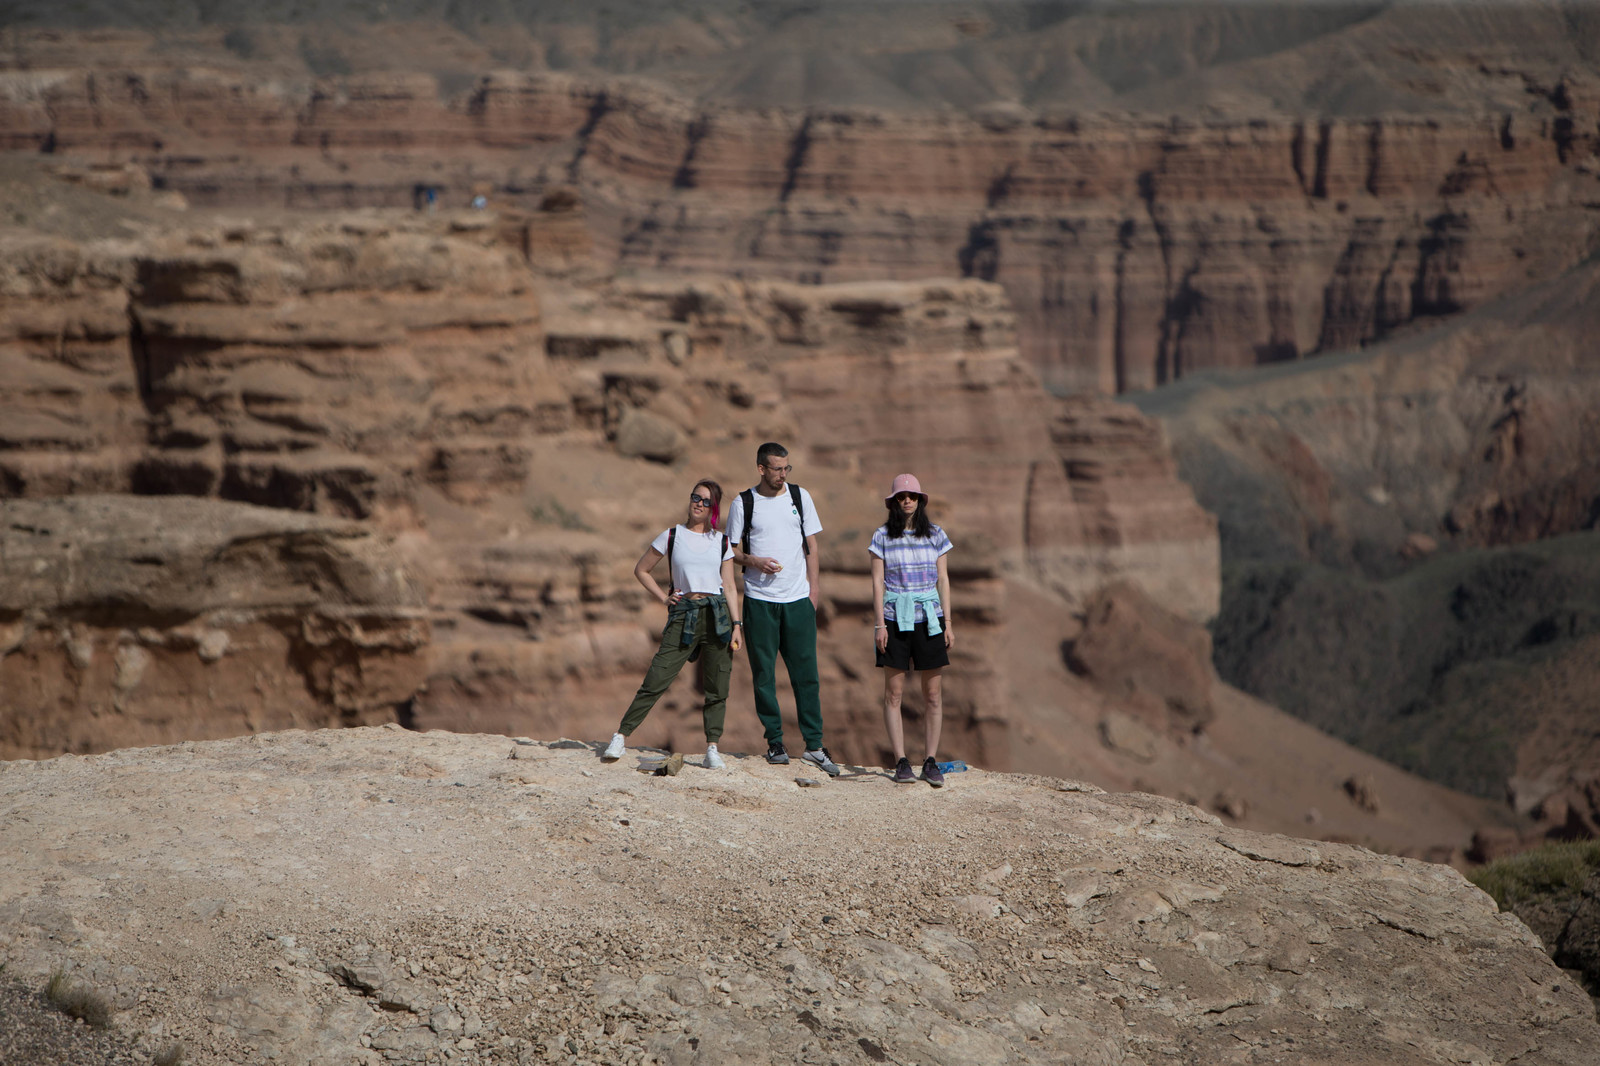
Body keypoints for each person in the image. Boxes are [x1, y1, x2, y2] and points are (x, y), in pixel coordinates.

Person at [602, 479, 742, 769]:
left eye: (706, 501)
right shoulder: (672, 535)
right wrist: (663, 598)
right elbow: (641, 569)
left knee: (717, 685)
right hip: (684, 613)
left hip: (717, 616)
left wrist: (737, 624)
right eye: (695, 497)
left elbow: (729, 586)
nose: (698, 504)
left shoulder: (722, 541)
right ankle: (620, 736)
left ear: (713, 508)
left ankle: (712, 748)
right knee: (656, 678)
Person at [726, 442, 840, 776]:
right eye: (777, 469)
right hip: (760, 601)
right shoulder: (743, 503)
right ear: (761, 468)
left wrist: (813, 591)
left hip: (798, 600)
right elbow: (731, 551)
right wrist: (753, 561)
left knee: (807, 677)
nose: (782, 475)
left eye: (786, 468)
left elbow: (812, 547)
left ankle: (814, 746)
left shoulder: (800, 497)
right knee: (764, 675)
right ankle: (775, 741)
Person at [869, 474, 953, 787]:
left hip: (930, 618)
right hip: (894, 618)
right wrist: (880, 624)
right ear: (893, 501)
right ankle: (901, 761)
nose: (907, 501)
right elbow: (877, 581)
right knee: (894, 693)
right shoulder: (881, 537)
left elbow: (943, 579)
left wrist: (948, 623)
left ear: (920, 501)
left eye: (912, 496)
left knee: (933, 694)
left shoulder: (936, 534)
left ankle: (930, 761)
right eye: (902, 496)